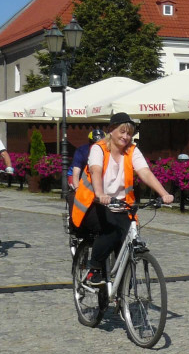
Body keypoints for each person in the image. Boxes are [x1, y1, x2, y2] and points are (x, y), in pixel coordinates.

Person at [71, 113, 174, 287]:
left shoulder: (132, 150)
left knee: (127, 238)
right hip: (92, 204)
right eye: (122, 132)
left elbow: (145, 172)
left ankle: (121, 290)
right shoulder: (99, 148)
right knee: (111, 231)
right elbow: (95, 170)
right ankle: (93, 269)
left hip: (120, 204)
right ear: (111, 130)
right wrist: (99, 193)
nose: (126, 137)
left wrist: (163, 193)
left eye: (129, 133)